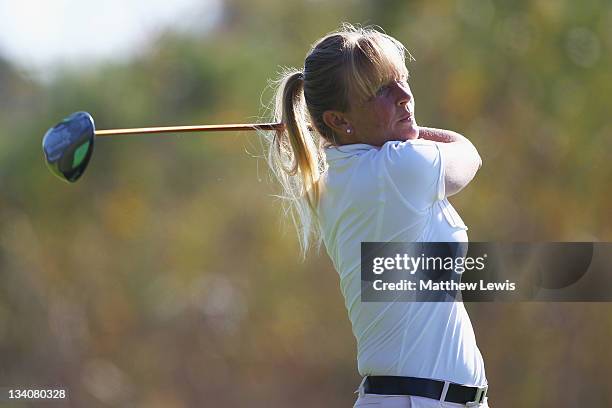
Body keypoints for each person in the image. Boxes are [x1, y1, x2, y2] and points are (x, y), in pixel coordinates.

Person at [264, 23, 489, 407]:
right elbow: (468, 153)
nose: (405, 97)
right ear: (336, 119)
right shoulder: (397, 169)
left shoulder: (338, 180)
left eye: (402, 80)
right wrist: (412, 131)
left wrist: (378, 127)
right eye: (382, 91)